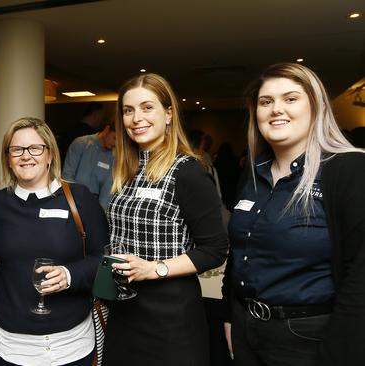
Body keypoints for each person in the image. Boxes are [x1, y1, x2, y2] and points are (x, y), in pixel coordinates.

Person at [222, 63, 365, 365]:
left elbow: (360, 277)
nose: (276, 109)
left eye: (290, 99)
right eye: (266, 102)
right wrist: (230, 316)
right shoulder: (252, 174)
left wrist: (340, 350)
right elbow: (239, 253)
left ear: (316, 107)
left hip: (310, 336)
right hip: (248, 328)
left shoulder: (348, 170)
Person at [103, 73, 228, 365]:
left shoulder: (188, 172)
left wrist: (153, 269)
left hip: (170, 318)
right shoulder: (127, 170)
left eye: (147, 108)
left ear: (168, 114)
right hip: (124, 312)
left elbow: (214, 250)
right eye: (128, 110)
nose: (137, 118)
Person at [0, 117, 108, 366]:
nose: (26, 156)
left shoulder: (79, 198)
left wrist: (69, 274)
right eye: (16, 149)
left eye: (35, 148)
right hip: (10, 346)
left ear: (50, 154)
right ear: (8, 158)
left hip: (71, 345)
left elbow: (104, 258)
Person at [62, 120, 116, 209]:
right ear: (107, 130)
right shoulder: (80, 143)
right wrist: (72, 205)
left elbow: (107, 190)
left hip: (93, 205)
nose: (115, 143)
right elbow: (67, 177)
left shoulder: (113, 156)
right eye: (114, 138)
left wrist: (100, 214)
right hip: (71, 201)